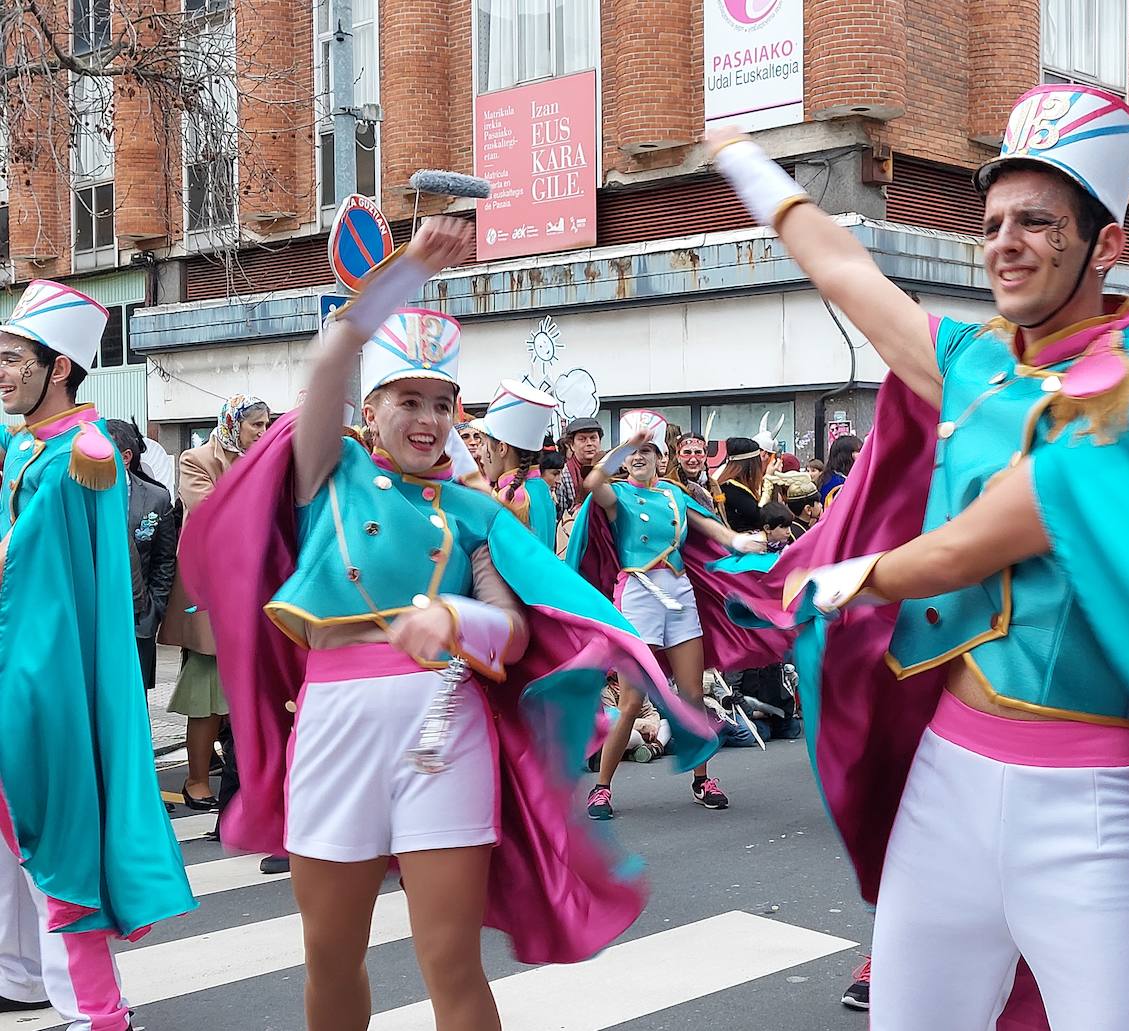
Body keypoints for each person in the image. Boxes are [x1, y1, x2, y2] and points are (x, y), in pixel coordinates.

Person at [711, 85, 1129, 1029]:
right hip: (948, 781)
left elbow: (1008, 524)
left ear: (1106, 245)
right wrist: (747, 163)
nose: (1005, 242)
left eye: (1037, 222)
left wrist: (863, 573)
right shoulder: (980, 360)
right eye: (992, 223)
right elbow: (852, 279)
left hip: (1095, 808)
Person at [176, 219, 721, 1031]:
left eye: (441, 403)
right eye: (408, 401)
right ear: (372, 408)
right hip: (335, 731)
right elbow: (331, 355)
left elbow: (513, 627)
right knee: (331, 954)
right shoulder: (329, 472)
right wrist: (405, 272)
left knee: (451, 962)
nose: (428, 420)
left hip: (443, 733)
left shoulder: (473, 509)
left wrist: (455, 615)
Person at [0, 280, 195, 1030]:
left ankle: (100, 1010)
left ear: (60, 369)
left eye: (16, 359)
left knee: (55, 836)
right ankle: (19, 974)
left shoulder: (83, 453)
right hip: (23, 666)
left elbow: (25, 571)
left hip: (44, 678)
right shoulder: (34, 445)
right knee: (18, 833)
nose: (5, 371)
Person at [566, 410, 770, 820]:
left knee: (693, 695)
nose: (639, 457)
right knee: (631, 698)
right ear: (624, 457)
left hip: (678, 593)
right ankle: (602, 787)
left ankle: (702, 779)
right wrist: (624, 445)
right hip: (638, 593)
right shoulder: (617, 494)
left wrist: (740, 543)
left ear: (661, 456)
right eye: (634, 452)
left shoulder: (677, 494)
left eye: (647, 450)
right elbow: (593, 483)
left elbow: (713, 530)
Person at [160, 393, 270, 810]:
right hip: (209, 591)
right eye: (255, 424)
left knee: (244, 690)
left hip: (252, 588)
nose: (262, 432)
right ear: (233, 423)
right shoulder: (196, 459)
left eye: (265, 425)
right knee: (207, 690)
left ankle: (233, 775)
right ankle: (195, 780)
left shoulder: (259, 461)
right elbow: (211, 513)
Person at [108, 419, 179, 695]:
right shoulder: (82, 497)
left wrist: (154, 609)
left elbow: (164, 561)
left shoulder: (156, 499)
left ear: (125, 458)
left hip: (139, 617)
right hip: (97, 615)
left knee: (135, 698)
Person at [479, 380, 559, 550]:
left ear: (501, 448)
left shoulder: (512, 497)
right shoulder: (541, 487)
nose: (480, 454)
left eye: (483, 444)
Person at [554, 416, 604, 519]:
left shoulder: (611, 469)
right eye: (582, 439)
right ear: (571, 445)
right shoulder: (564, 474)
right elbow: (561, 514)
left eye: (593, 438)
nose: (589, 443)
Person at [716, 436, 766, 532]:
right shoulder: (733, 489)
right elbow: (761, 517)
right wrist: (769, 485)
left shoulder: (728, 486)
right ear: (751, 465)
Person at [665, 430, 715, 509]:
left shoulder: (713, 485)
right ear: (678, 456)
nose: (693, 459)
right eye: (687, 453)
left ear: (705, 456)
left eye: (698, 452)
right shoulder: (667, 484)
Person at [818, 434, 861, 508]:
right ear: (846, 455)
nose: (862, 454)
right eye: (859, 451)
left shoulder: (828, 477)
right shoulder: (839, 485)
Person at [781, 473, 823, 542]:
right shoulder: (796, 536)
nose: (821, 505)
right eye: (818, 502)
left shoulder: (792, 528)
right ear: (808, 509)